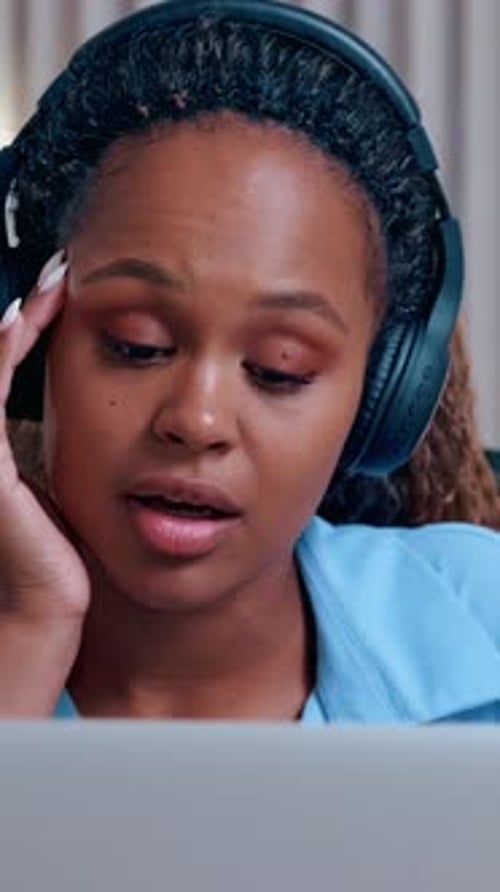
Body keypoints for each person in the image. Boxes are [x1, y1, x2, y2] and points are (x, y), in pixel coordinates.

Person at [0, 0, 499, 723]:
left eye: (279, 369)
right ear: (35, 343)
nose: (197, 420)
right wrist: (29, 626)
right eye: (137, 345)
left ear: (382, 394)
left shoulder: (482, 613)